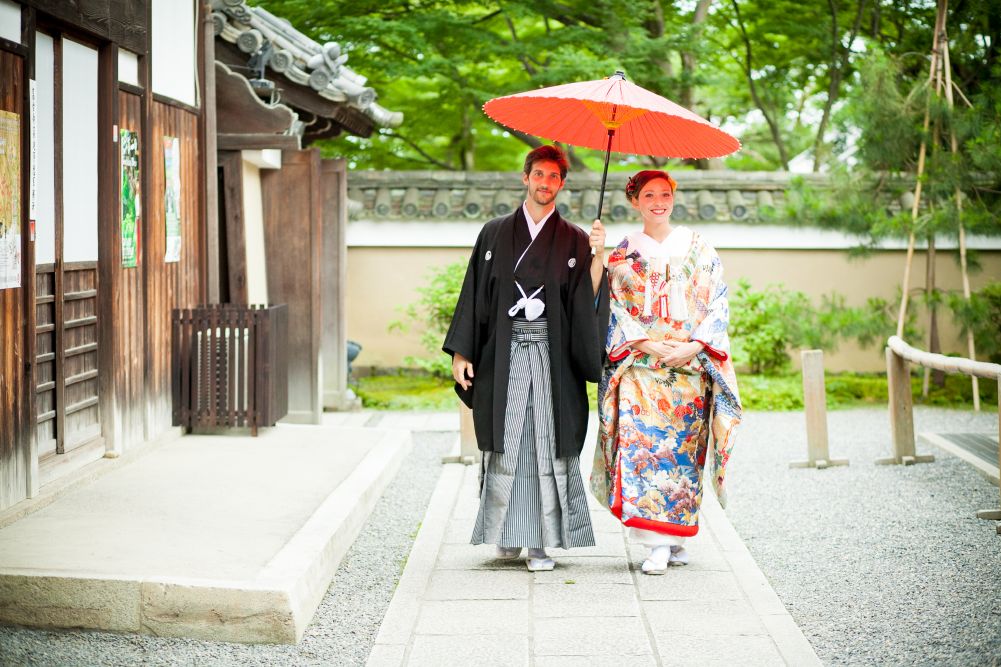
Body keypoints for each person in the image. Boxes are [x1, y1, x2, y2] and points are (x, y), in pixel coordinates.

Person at [443, 145, 609, 572]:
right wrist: (462, 350)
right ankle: (505, 534)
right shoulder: (494, 232)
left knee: (545, 442)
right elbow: (475, 293)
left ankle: (541, 542)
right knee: (506, 442)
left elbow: (586, 301)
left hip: (553, 359)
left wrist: (597, 258)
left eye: (554, 177)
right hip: (503, 353)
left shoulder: (574, 238)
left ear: (562, 184)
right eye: (539, 175)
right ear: (525, 178)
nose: (545, 183)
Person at [590, 170, 741, 574]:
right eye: (649, 194)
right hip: (641, 368)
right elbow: (613, 308)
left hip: (690, 368)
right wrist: (645, 343)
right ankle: (654, 543)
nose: (659, 201)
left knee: (683, 456)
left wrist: (695, 344)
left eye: (665, 194)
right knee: (644, 450)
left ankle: (675, 538)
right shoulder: (621, 254)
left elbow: (717, 302)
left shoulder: (700, 247)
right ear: (635, 201)